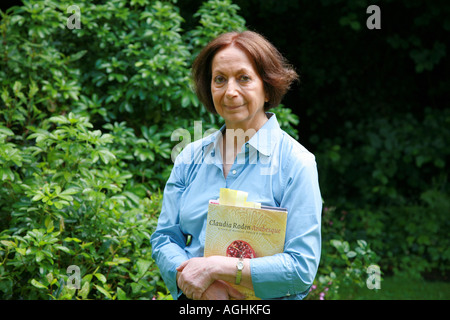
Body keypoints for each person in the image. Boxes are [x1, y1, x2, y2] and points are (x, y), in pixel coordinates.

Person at [150, 30, 322, 300]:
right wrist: (198, 285)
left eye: (243, 78)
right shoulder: (188, 158)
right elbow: (165, 238)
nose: (230, 92)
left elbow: (301, 269)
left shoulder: (297, 165)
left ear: (267, 87)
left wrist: (217, 268)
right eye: (220, 79)